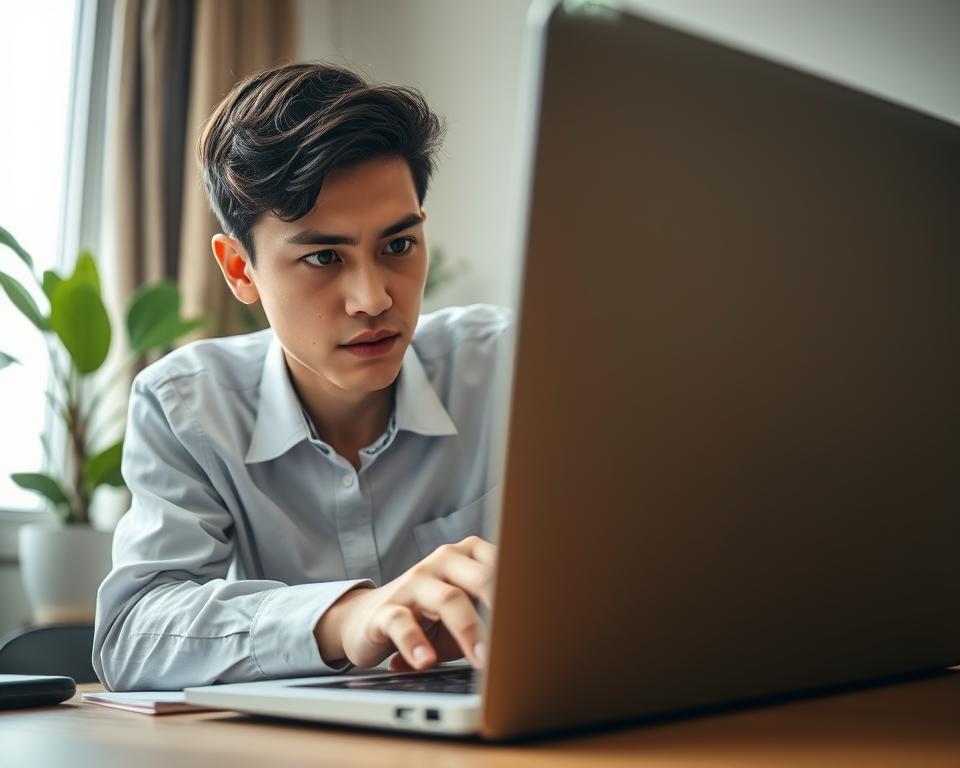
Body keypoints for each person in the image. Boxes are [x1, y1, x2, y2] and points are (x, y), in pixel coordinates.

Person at [93, 62, 510, 691]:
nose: (372, 299)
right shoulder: (187, 406)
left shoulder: (511, 366)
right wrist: (346, 617)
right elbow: (132, 633)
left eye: (398, 246)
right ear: (240, 269)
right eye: (322, 257)